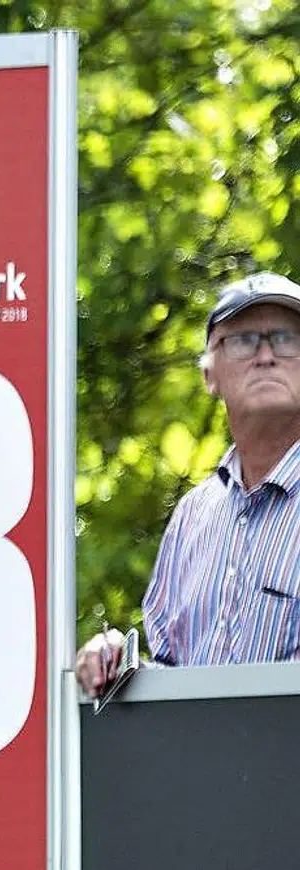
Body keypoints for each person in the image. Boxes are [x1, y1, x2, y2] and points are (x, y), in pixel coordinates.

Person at [76, 271, 300, 697]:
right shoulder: (193, 516)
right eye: (243, 341)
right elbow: (170, 679)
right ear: (209, 374)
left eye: (286, 338)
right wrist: (113, 663)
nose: (266, 354)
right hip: (194, 744)